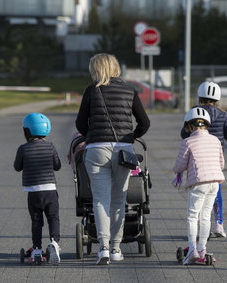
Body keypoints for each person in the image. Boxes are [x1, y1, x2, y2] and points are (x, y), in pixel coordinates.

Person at [75, 53, 150, 265]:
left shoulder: (91, 91)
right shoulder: (130, 90)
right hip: (123, 151)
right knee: (119, 201)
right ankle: (117, 248)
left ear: (96, 70)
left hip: (97, 149)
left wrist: (93, 135)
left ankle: (103, 248)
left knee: (100, 200)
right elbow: (144, 123)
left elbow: (80, 124)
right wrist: (130, 137)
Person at [181, 81, 227, 237]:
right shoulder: (223, 114)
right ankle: (218, 225)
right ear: (217, 99)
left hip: (197, 158)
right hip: (215, 158)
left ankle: (197, 226)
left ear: (199, 97)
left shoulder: (194, 112)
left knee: (197, 192)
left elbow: (184, 134)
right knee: (216, 190)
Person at [173, 107, 225, 265]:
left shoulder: (188, 141)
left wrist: (178, 171)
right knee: (205, 216)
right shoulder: (215, 140)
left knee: (192, 216)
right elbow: (221, 163)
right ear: (207, 125)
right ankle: (202, 249)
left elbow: (179, 166)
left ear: (188, 126)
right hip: (215, 183)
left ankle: (192, 249)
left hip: (198, 183)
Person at [14, 112, 62, 265]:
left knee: (36, 221)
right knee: (53, 218)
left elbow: (17, 167)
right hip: (50, 191)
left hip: (33, 192)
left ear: (27, 131)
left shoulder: (23, 148)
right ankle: (54, 243)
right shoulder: (50, 146)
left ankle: (36, 249)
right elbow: (58, 166)